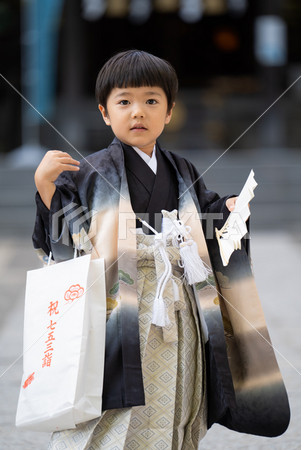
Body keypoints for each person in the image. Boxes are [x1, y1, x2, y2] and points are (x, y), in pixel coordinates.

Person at [33, 50, 289, 449]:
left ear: (170, 112)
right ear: (105, 112)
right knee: (113, 410)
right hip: (118, 311)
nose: (138, 112)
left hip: (178, 305)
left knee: (177, 398)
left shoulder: (182, 169)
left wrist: (229, 211)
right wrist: (47, 188)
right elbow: (67, 240)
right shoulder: (89, 172)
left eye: (151, 101)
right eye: (125, 101)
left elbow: (209, 218)